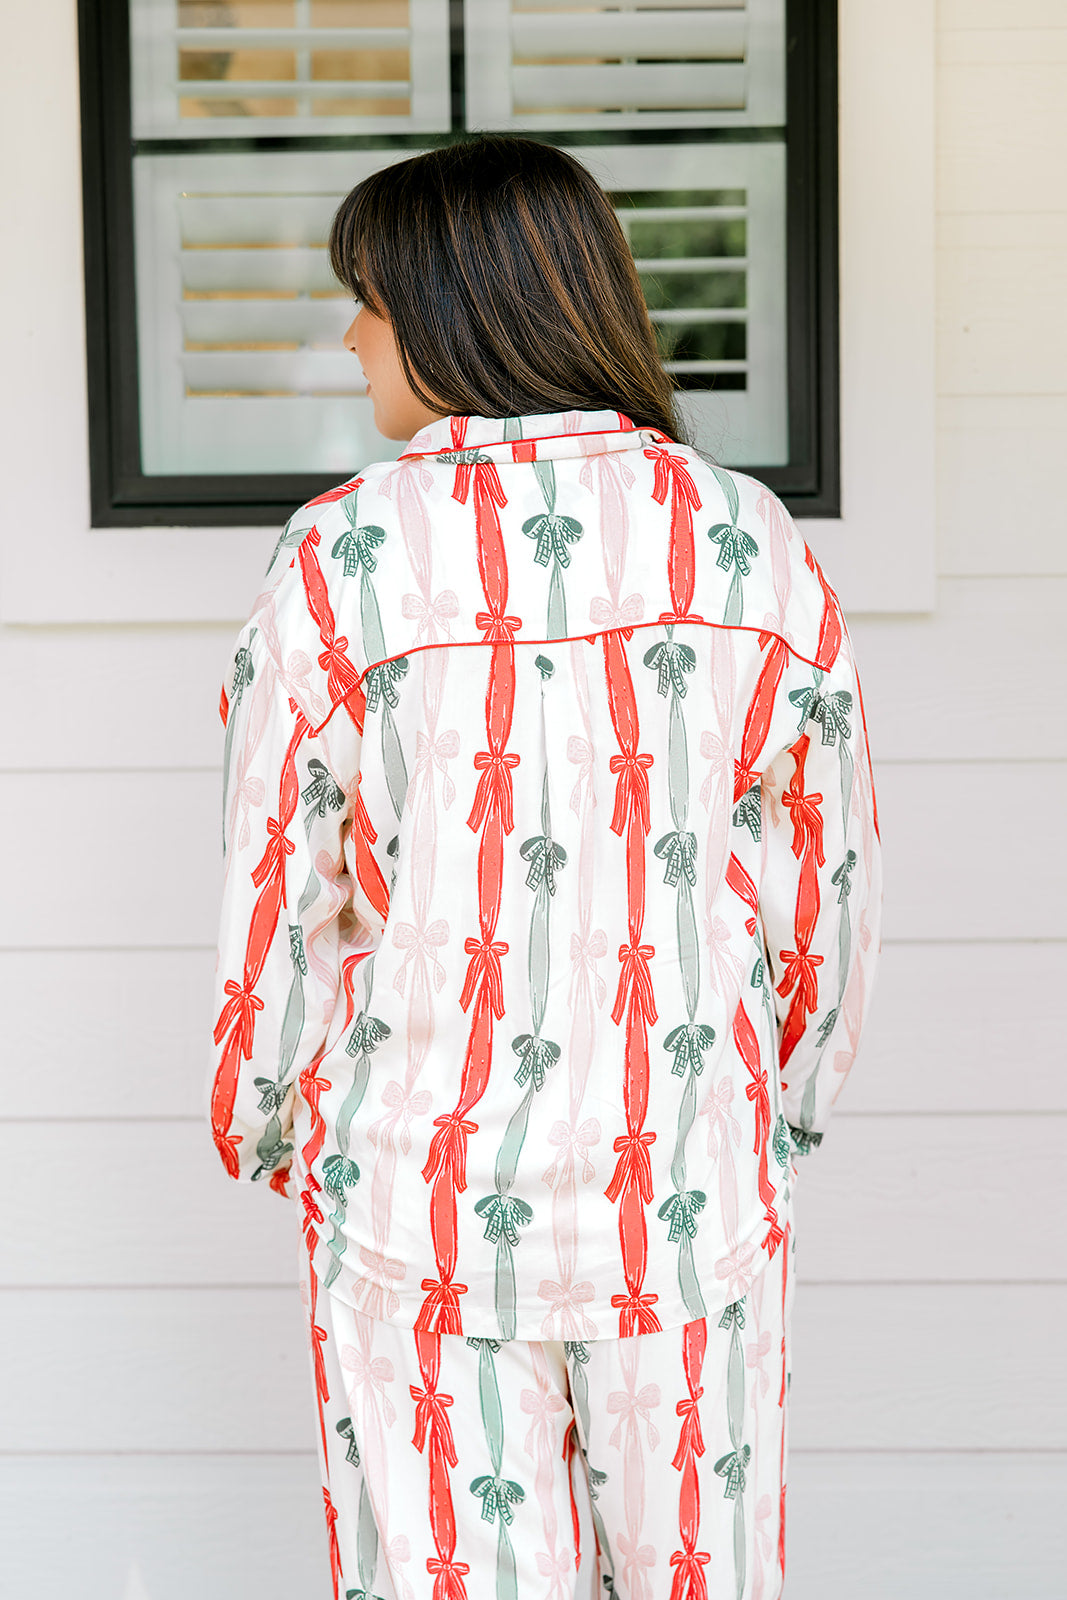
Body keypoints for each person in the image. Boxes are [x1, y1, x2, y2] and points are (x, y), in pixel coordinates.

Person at [210, 135, 881, 1600]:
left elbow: (278, 887)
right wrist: (780, 1106)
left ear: (456, 309)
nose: (351, 335)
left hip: (418, 1200)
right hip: (689, 1187)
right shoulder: (743, 539)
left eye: (370, 298)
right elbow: (825, 869)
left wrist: (262, 1113)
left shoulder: (339, 558)